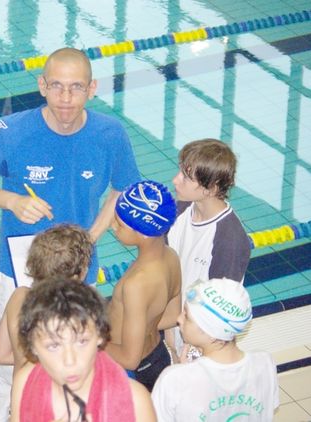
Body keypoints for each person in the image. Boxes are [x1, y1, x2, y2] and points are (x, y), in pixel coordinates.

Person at [0, 47, 140, 422]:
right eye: (57, 86)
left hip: (78, 269)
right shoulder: (10, 131)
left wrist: (92, 236)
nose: (65, 97)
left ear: (92, 88)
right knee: (9, 367)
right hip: (19, 266)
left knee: (74, 356)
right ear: (42, 85)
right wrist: (13, 201)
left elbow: (123, 188)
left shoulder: (110, 134)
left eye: (76, 87)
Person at [10, 278, 156, 422]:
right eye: (53, 346)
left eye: (82, 342)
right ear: (33, 347)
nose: (70, 361)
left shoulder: (135, 402)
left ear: (100, 336)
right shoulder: (25, 384)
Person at [166, 139, 251, 355]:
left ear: (211, 188)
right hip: (172, 327)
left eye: (186, 177)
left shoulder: (230, 240)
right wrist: (168, 329)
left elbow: (219, 313)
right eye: (180, 171)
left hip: (202, 346)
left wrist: (190, 354)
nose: (175, 180)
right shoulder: (179, 210)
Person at [152, 278, 279, 421]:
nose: (179, 319)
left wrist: (183, 374)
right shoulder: (264, 363)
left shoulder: (173, 379)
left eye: (187, 316)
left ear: (210, 331)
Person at [105, 180, 181, 392]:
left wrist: (92, 341)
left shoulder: (136, 284)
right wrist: (139, 328)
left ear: (144, 231)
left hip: (132, 373)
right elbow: (173, 315)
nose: (112, 226)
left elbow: (130, 359)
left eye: (120, 224)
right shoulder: (171, 257)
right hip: (157, 357)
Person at [0, 224, 93, 373]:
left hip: (22, 386)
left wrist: (25, 359)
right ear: (80, 274)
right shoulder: (77, 313)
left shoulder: (18, 297)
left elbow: (0, 356)